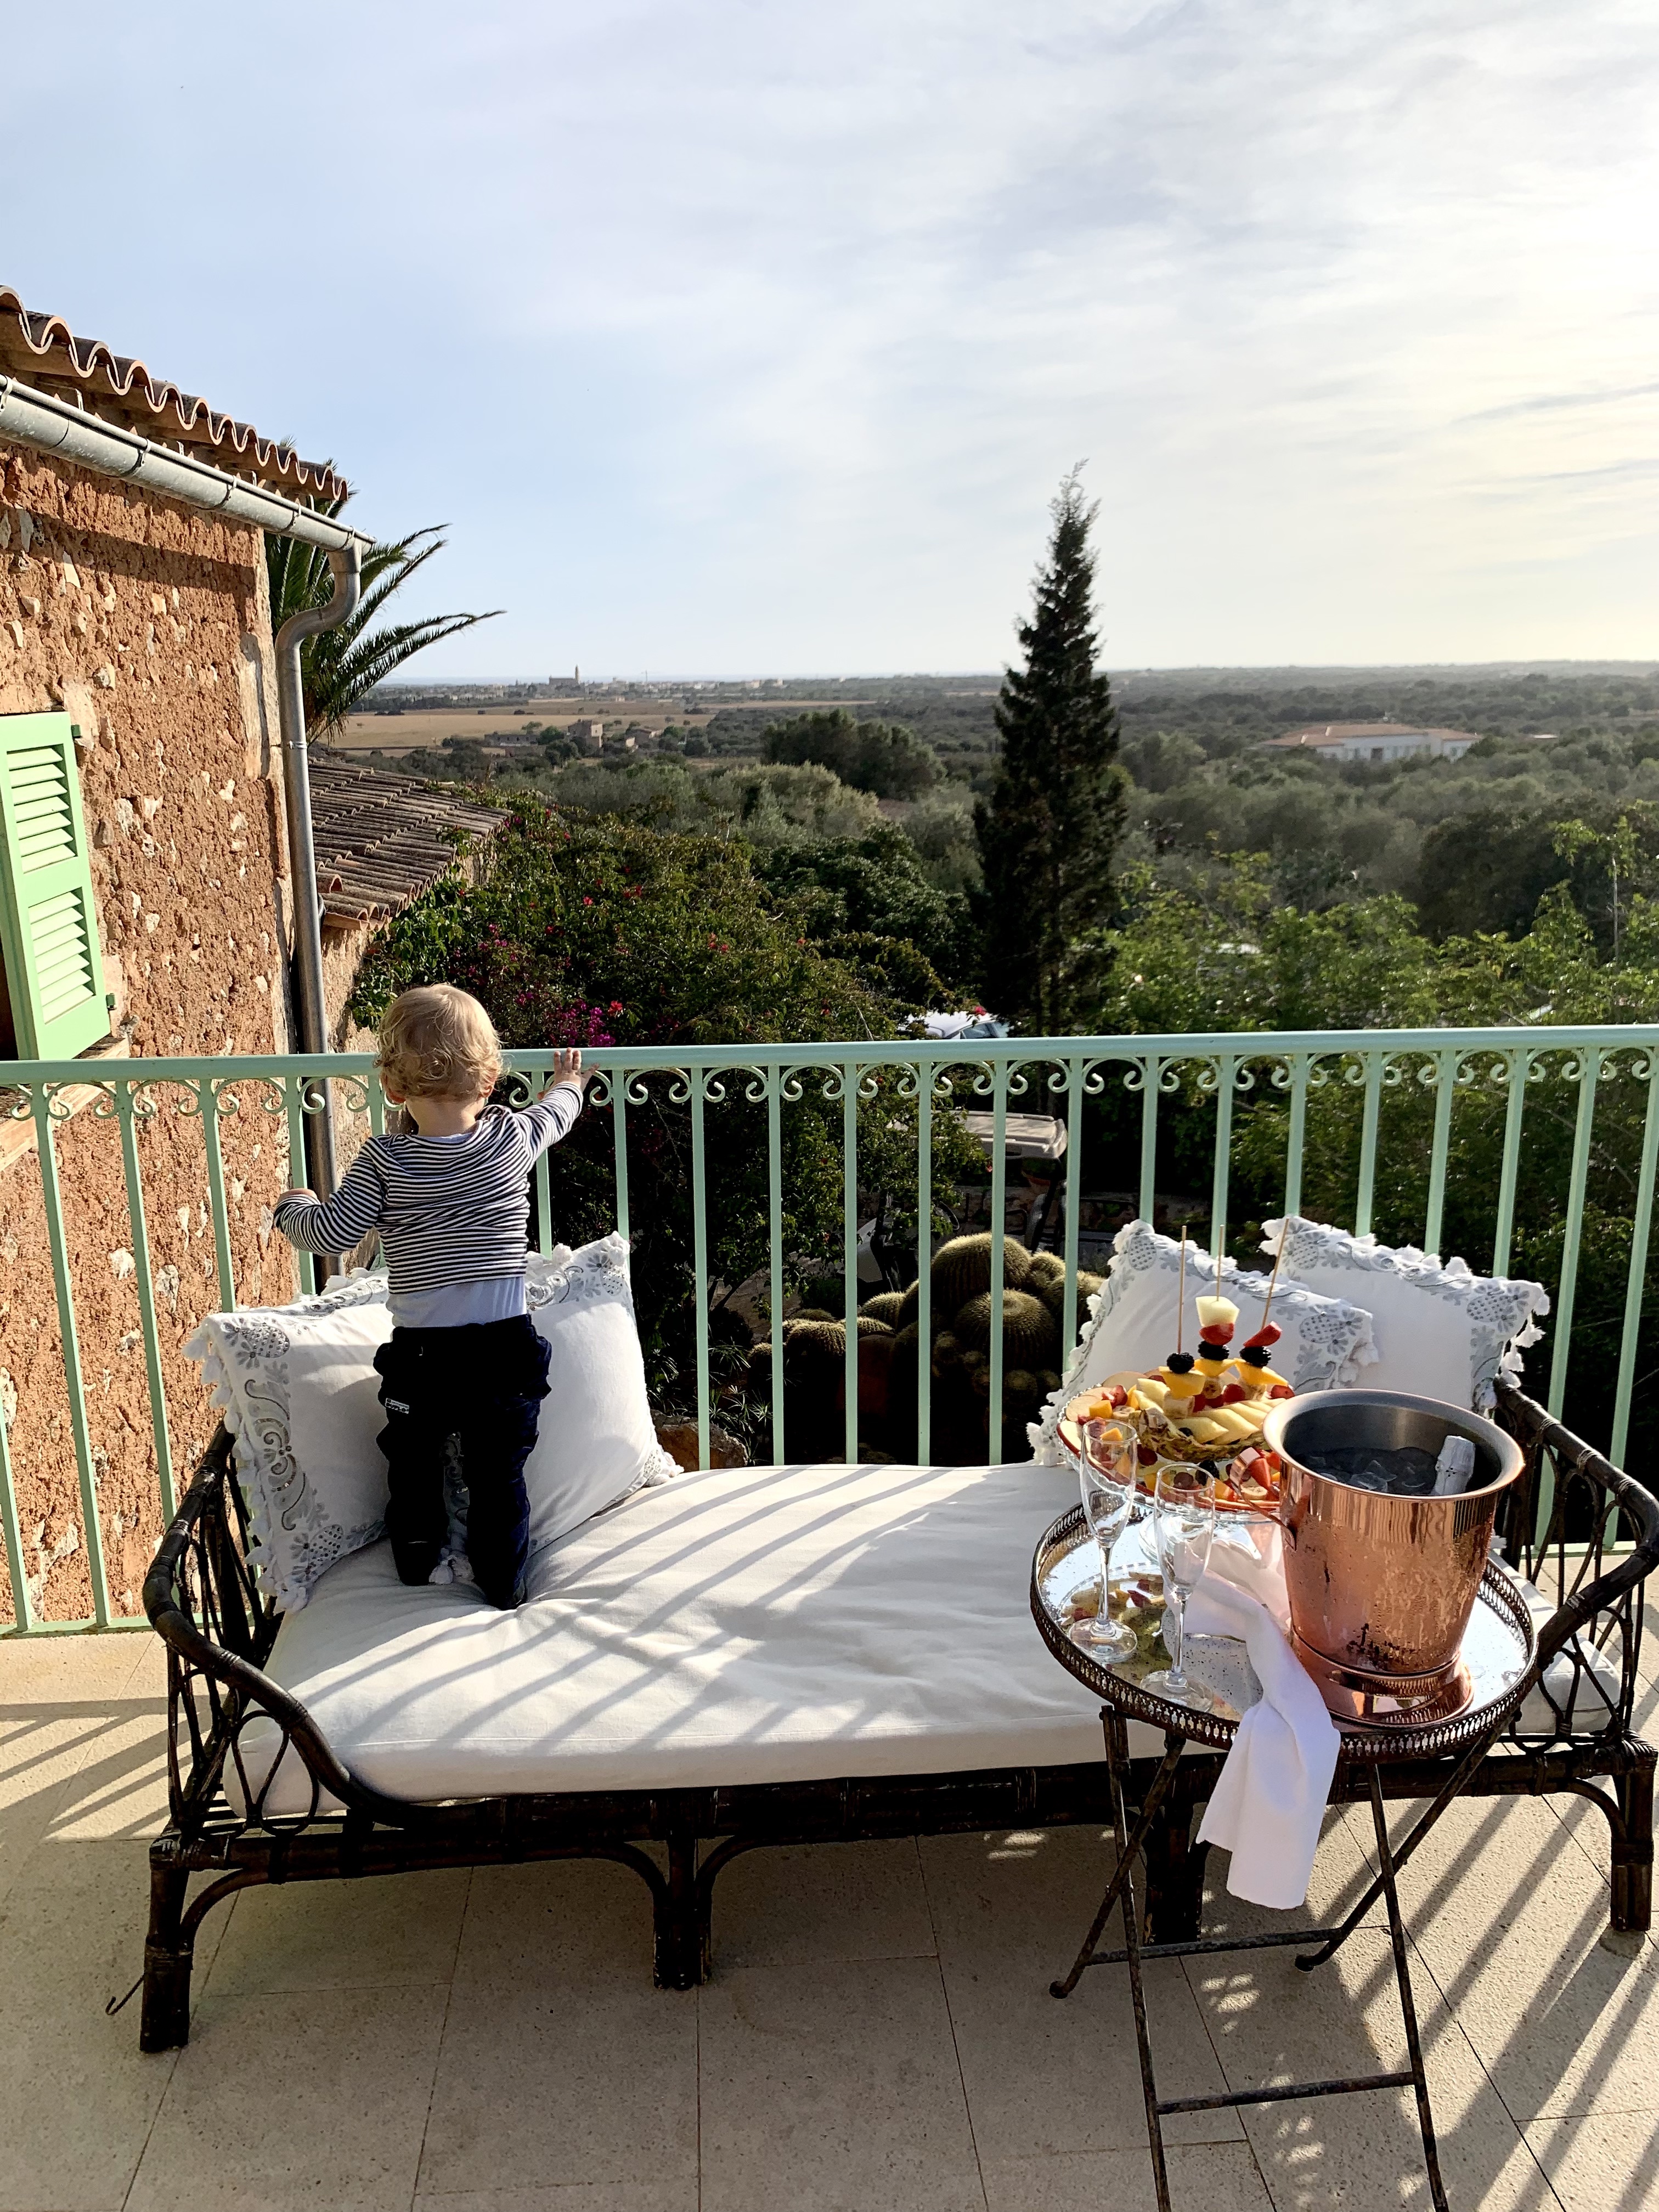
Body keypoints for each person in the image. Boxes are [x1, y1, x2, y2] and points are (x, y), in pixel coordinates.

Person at [273, 985, 589, 1609]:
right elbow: (557, 1114)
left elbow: (333, 1232)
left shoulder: (384, 1161)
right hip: (505, 1351)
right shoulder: (510, 1139)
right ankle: (504, 1583)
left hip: (424, 1359)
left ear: (392, 1088)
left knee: (413, 1464)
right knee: (499, 1476)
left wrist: (293, 1207)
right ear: (490, 1079)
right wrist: (569, 1082)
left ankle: (417, 1565)